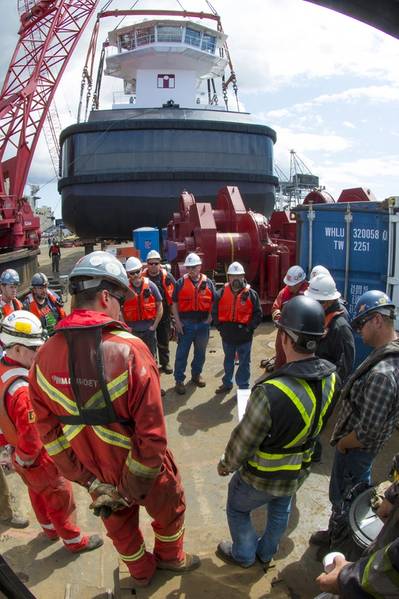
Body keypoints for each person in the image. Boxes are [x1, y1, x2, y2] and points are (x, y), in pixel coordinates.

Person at [28, 251, 199, 587]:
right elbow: (152, 437)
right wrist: (129, 487)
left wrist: (92, 483)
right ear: (106, 297)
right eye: (120, 300)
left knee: (119, 529)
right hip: (144, 470)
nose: (122, 308)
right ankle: (169, 559)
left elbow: (51, 437)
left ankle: (140, 573)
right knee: (169, 512)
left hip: (96, 474)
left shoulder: (43, 358)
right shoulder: (131, 350)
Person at [216, 295, 340, 568]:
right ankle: (266, 552)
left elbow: (244, 440)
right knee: (280, 508)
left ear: (285, 338)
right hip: (297, 471)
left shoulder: (270, 391)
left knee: (237, 509)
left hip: (260, 476)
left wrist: (226, 464)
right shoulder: (332, 378)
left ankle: (245, 555)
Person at [0, 310, 102, 552]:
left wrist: (15, 456)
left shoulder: (4, 372)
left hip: (18, 454)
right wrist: (25, 460)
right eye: (34, 348)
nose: (39, 352)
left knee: (37, 494)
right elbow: (33, 437)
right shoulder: (23, 391)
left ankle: (48, 529)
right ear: (16, 349)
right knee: (60, 498)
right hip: (39, 459)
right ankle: (74, 540)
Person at [310, 290, 399, 548]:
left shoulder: (383, 373)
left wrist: (343, 444)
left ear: (378, 321)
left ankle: (340, 543)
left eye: (361, 324)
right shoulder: (388, 351)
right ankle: (337, 532)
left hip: (356, 451)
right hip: (359, 451)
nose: (358, 330)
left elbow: (368, 432)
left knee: (346, 498)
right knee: (351, 494)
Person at [213, 262, 262, 393]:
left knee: (244, 363)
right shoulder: (220, 293)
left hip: (244, 337)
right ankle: (227, 383)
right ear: (228, 277)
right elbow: (214, 312)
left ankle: (243, 387)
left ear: (243, 276)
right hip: (227, 336)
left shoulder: (252, 294)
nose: (236, 279)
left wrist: (249, 328)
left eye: (239, 276)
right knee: (228, 361)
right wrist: (220, 328)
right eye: (233, 276)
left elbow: (258, 314)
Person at [172, 252, 216, 395]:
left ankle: (196, 375)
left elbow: (214, 301)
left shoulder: (208, 282)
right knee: (181, 354)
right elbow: (174, 303)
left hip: (203, 325)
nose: (191, 270)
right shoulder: (180, 283)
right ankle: (179, 380)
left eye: (194, 267)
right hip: (186, 325)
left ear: (200, 267)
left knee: (200, 353)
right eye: (188, 267)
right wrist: (177, 322)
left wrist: (210, 317)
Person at [305, 273, 355, 383]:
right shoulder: (318, 317)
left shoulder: (341, 328)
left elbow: (344, 368)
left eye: (316, 301)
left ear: (328, 301)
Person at [122, 256, 163, 358]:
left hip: (149, 330)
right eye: (132, 273)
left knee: (151, 357)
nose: (135, 275)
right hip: (132, 331)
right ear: (128, 274)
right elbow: (119, 309)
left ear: (141, 270)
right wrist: (126, 328)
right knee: (135, 359)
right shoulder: (124, 289)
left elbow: (160, 305)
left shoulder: (151, 285)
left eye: (137, 271)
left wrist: (154, 326)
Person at [142, 250, 175, 374]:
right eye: (151, 264)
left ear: (160, 264)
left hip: (164, 312)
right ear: (147, 264)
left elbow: (175, 295)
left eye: (156, 263)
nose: (153, 266)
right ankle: (150, 363)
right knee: (148, 340)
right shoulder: (141, 277)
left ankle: (165, 363)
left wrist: (174, 316)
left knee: (163, 339)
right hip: (147, 313)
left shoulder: (167, 277)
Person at [271, 265, 308, 370]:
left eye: (292, 285)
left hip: (301, 334)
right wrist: (279, 319)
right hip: (284, 331)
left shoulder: (309, 293)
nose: (289, 287)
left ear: (301, 282)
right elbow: (275, 308)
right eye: (288, 284)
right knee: (281, 355)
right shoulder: (284, 293)